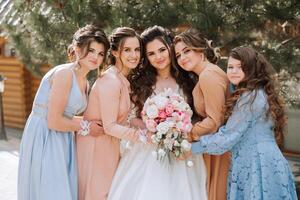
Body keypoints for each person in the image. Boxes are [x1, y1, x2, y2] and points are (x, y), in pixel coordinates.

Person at [108, 25, 207, 200]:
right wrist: (154, 130)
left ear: (170, 47)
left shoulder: (189, 79)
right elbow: (132, 118)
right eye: (151, 54)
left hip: (181, 146)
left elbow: (197, 115)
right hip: (148, 147)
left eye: (162, 50)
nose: (158, 57)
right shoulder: (140, 82)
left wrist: (179, 130)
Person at [191, 46, 298, 199]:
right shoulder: (253, 93)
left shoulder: (250, 97)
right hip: (260, 161)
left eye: (240, 67)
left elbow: (228, 137)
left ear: (252, 69)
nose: (233, 71)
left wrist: (191, 147)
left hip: (258, 163)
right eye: (230, 67)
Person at [18, 24, 109, 200]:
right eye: (91, 51)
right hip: (45, 135)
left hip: (63, 137)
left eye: (100, 53)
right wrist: (87, 126)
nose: (96, 57)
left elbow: (67, 116)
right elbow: (53, 120)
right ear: (77, 48)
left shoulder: (85, 81)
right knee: (52, 190)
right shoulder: (65, 74)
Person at [76, 27, 146, 200]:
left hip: (109, 144)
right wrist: (143, 136)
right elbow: (110, 126)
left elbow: (124, 119)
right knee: (97, 193)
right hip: (95, 144)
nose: (134, 55)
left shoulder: (123, 80)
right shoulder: (110, 80)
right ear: (115, 52)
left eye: (137, 49)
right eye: (127, 50)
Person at [174, 28, 230, 200]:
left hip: (218, 149)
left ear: (201, 50)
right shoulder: (205, 74)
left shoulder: (208, 75)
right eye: (178, 55)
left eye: (186, 51)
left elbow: (214, 121)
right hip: (213, 145)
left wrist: (186, 134)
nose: (182, 58)